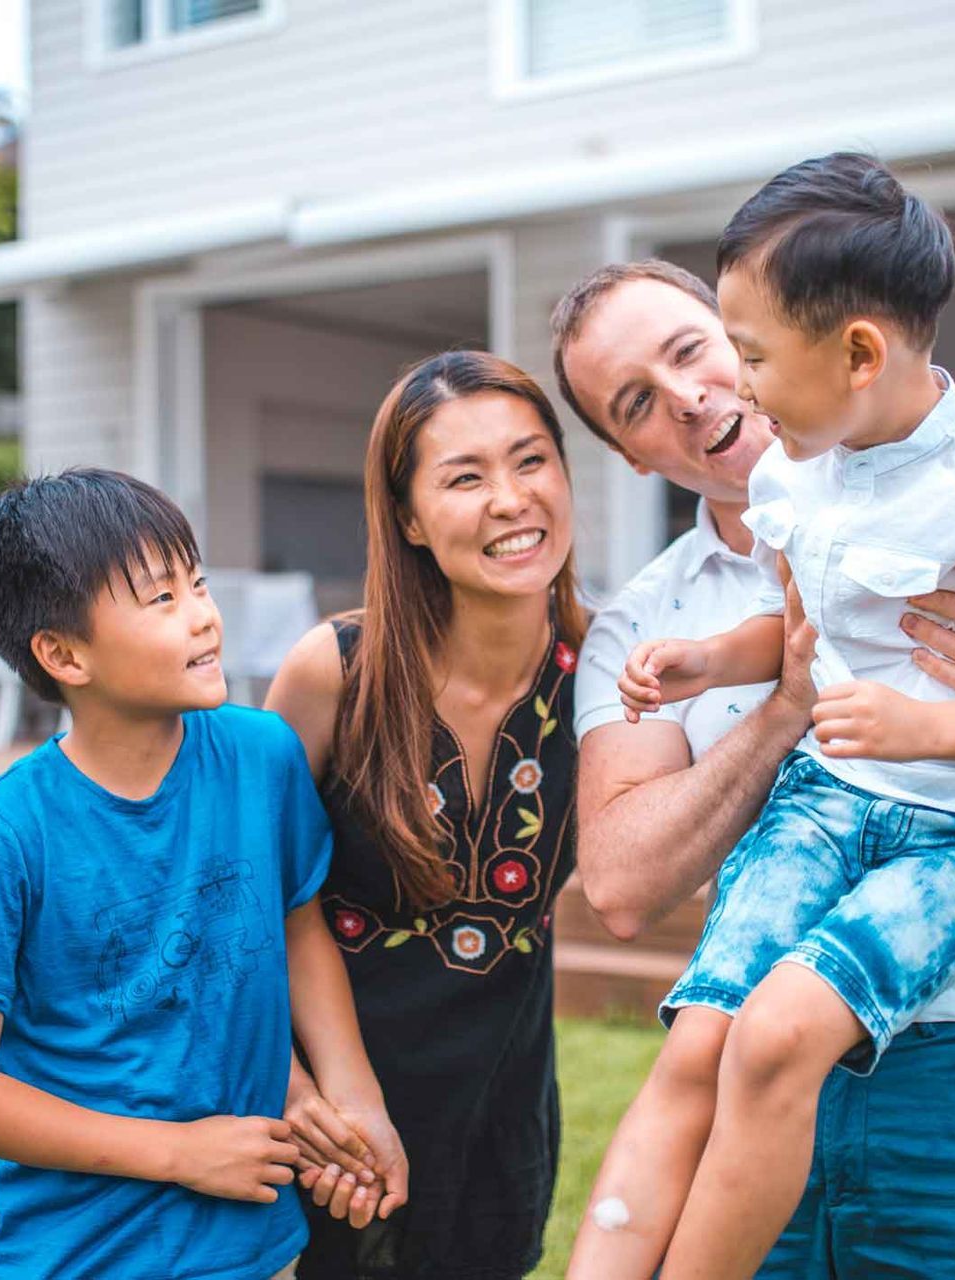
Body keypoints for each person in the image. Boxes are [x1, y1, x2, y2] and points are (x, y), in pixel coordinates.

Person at [551, 242, 955, 1277]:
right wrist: (784, 699)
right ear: (632, 455)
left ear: (761, 340)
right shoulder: (645, 618)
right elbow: (616, 883)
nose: (690, 399)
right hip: (753, 1042)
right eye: (637, 403)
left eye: (695, 351)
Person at [0, 468, 405, 1280]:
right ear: (64, 654)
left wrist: (352, 1101)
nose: (205, 617)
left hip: (255, 1240)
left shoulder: (262, 756)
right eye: (161, 600)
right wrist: (178, 1153)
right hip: (76, 1253)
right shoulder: (2, 836)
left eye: (197, 583)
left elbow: (296, 926)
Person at [265, 351, 586, 1279]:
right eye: (464, 476)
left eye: (531, 461)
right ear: (406, 516)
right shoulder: (334, 671)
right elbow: (257, 892)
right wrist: (328, 1091)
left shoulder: (612, 672)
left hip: (502, 1100)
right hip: (325, 1105)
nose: (510, 499)